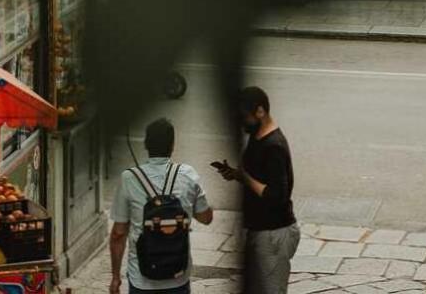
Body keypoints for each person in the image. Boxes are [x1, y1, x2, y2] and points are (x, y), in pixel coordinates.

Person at [109, 117, 213, 294]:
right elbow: (206, 218)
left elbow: (118, 234)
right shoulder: (188, 175)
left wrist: (116, 277)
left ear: (146, 145)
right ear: (172, 145)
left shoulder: (129, 178)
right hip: (178, 277)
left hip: (141, 279)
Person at [215, 86, 299, 294]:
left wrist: (245, 177)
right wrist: (236, 174)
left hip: (273, 234)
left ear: (260, 112)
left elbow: (277, 195)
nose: (242, 122)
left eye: (245, 117)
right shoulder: (257, 137)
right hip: (260, 231)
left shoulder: (274, 146)